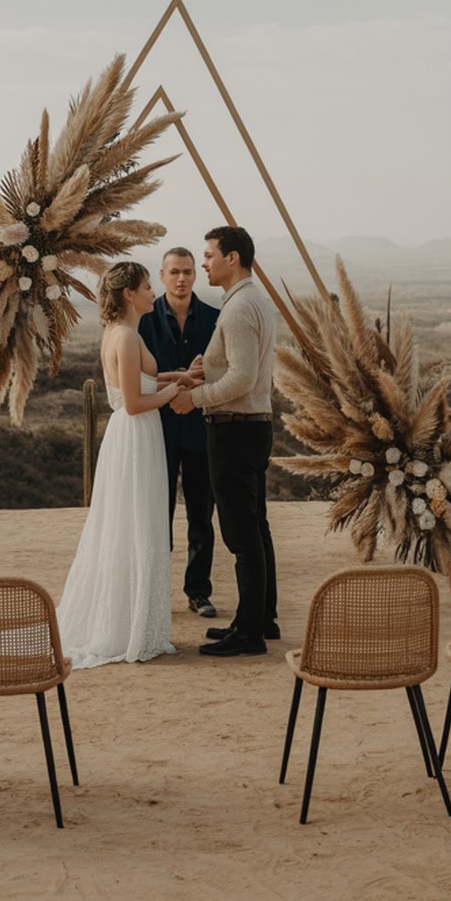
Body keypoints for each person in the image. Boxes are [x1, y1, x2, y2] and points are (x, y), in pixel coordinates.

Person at [57, 262, 179, 668]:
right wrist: (174, 391)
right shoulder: (125, 337)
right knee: (136, 523)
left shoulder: (123, 333)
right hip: (135, 435)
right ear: (129, 294)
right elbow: (133, 401)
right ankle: (127, 629)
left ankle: (133, 622)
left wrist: (181, 377)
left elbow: (146, 383)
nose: (153, 291)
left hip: (138, 436)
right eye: (147, 285)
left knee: (135, 523)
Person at [171, 226, 278, 657]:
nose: (205, 264)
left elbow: (243, 377)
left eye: (210, 255)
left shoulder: (237, 309)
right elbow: (235, 366)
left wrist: (193, 398)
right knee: (257, 527)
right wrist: (206, 366)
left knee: (240, 534)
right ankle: (259, 619)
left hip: (235, 429)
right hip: (252, 427)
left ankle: (249, 633)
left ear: (232, 258)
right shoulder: (251, 300)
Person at [139, 246, 220, 618]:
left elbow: (221, 372)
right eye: (174, 272)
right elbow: (137, 379)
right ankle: (155, 593)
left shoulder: (217, 319)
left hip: (202, 429)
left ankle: (198, 592)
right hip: (158, 430)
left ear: (196, 274)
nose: (182, 278)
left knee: (202, 516)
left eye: (188, 271)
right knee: (159, 515)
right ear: (162, 275)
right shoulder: (143, 321)